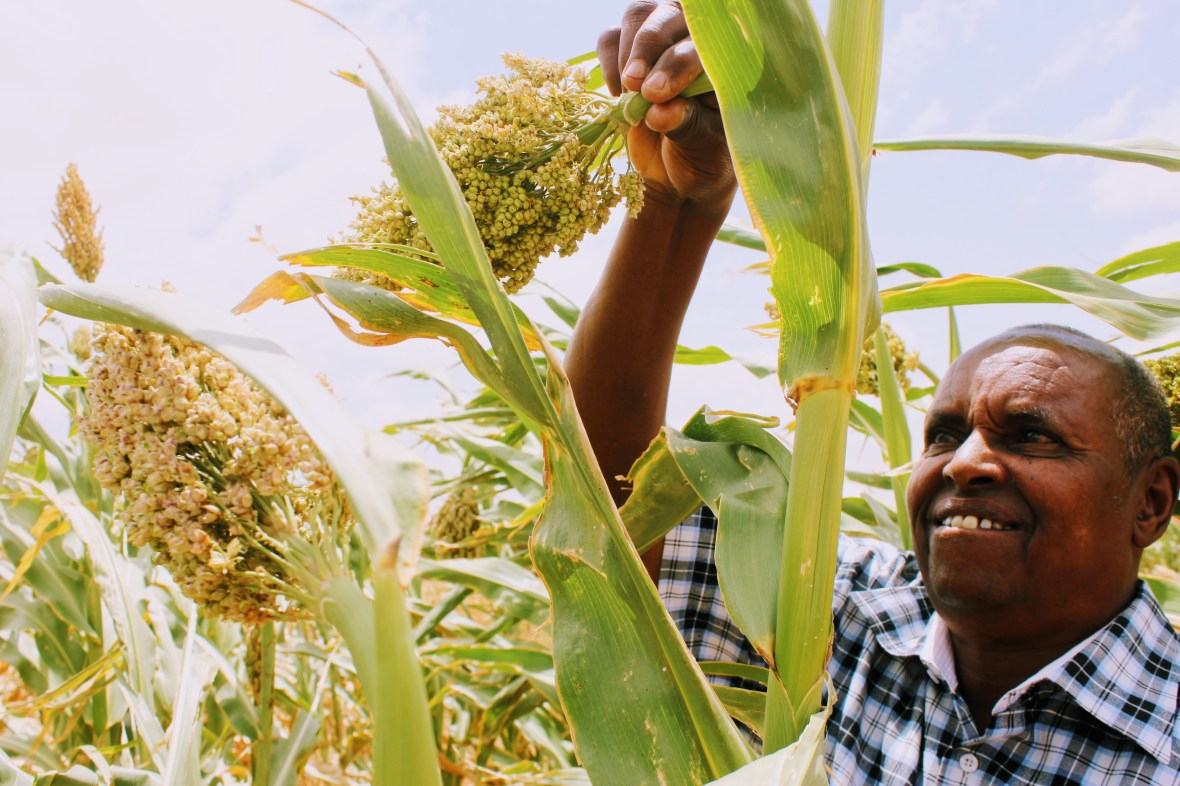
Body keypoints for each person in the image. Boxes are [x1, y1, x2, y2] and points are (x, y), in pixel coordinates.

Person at [564, 3, 1180, 783]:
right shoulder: (841, 619)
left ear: (1152, 502)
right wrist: (678, 201)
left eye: (1030, 435)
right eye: (945, 435)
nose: (965, 464)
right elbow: (611, 505)